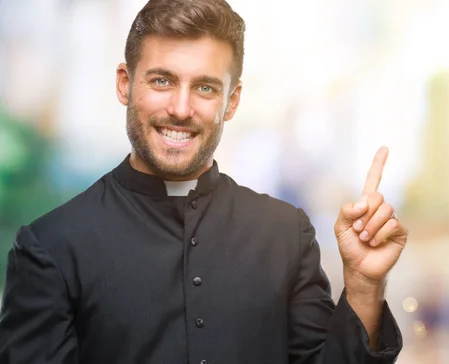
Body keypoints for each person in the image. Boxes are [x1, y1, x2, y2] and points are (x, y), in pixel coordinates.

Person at [0, 0, 408, 363]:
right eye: (162, 80)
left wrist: (364, 285)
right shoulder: (51, 247)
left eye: (205, 88)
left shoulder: (286, 233)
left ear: (231, 102)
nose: (181, 108)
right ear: (125, 83)